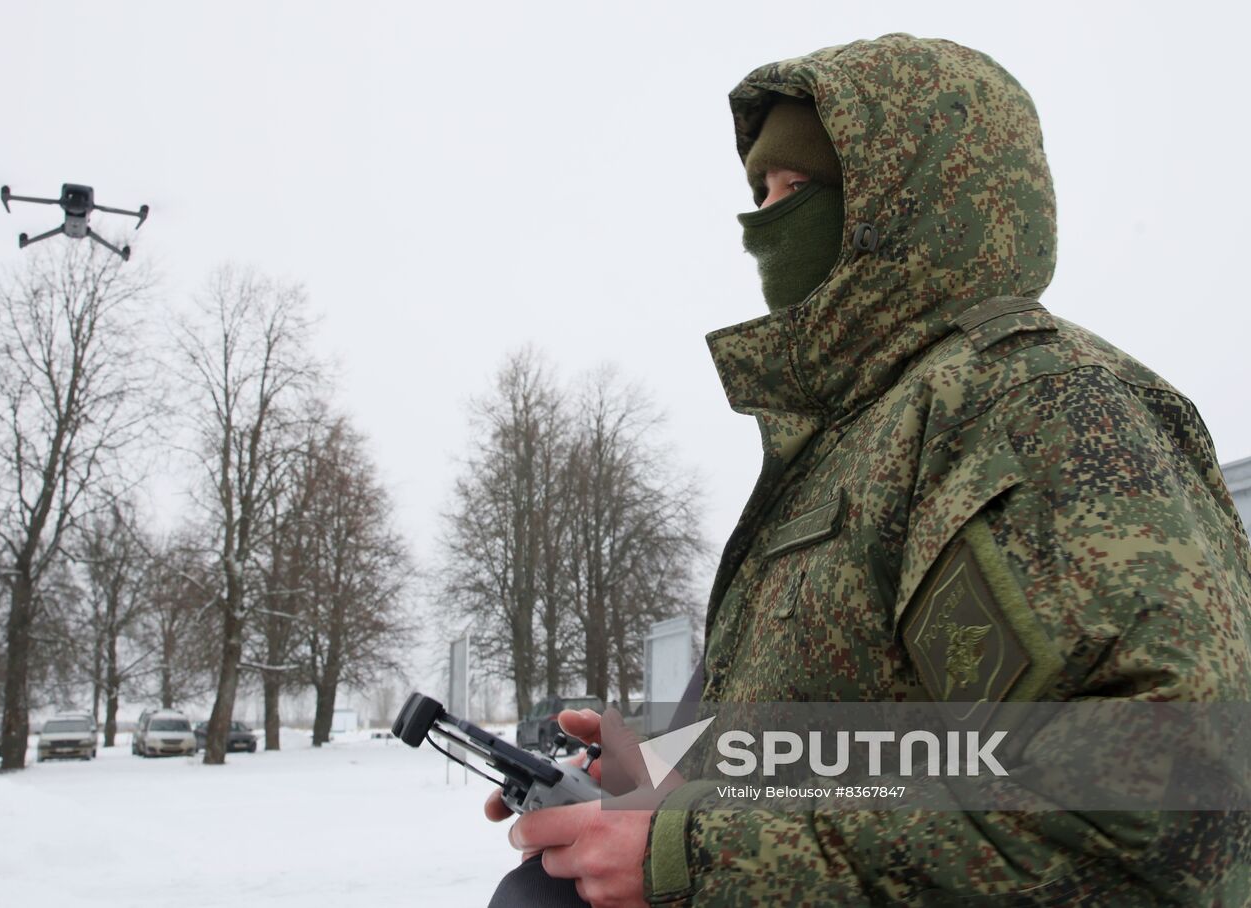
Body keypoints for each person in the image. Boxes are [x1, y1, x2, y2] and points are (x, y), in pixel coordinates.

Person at [486, 33, 1251, 906]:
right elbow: (870, 745)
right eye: (759, 194)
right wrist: (651, 774)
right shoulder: (849, 446)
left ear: (906, 197)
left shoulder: (1032, 409)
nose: (763, 226)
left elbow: (1162, 816)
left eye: (797, 190)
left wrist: (693, 859)